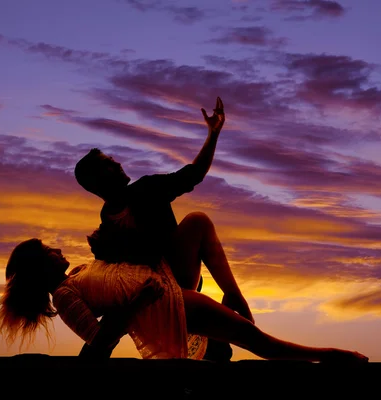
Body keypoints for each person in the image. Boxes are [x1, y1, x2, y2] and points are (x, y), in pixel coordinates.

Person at [0, 238, 369, 364]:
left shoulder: (75, 276)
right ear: (40, 266)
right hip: (169, 307)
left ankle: (231, 307)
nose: (56, 248)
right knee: (260, 342)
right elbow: (99, 343)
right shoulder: (66, 296)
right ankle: (335, 356)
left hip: (170, 292)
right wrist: (139, 301)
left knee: (198, 223)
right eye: (47, 250)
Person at [73, 97, 250, 361]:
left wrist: (213, 134)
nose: (117, 163)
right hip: (150, 288)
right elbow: (119, 267)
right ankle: (217, 337)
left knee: (197, 221)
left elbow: (193, 175)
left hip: (175, 276)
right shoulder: (112, 215)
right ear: (99, 180)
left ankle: (233, 298)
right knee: (196, 222)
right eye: (109, 163)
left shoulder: (144, 190)